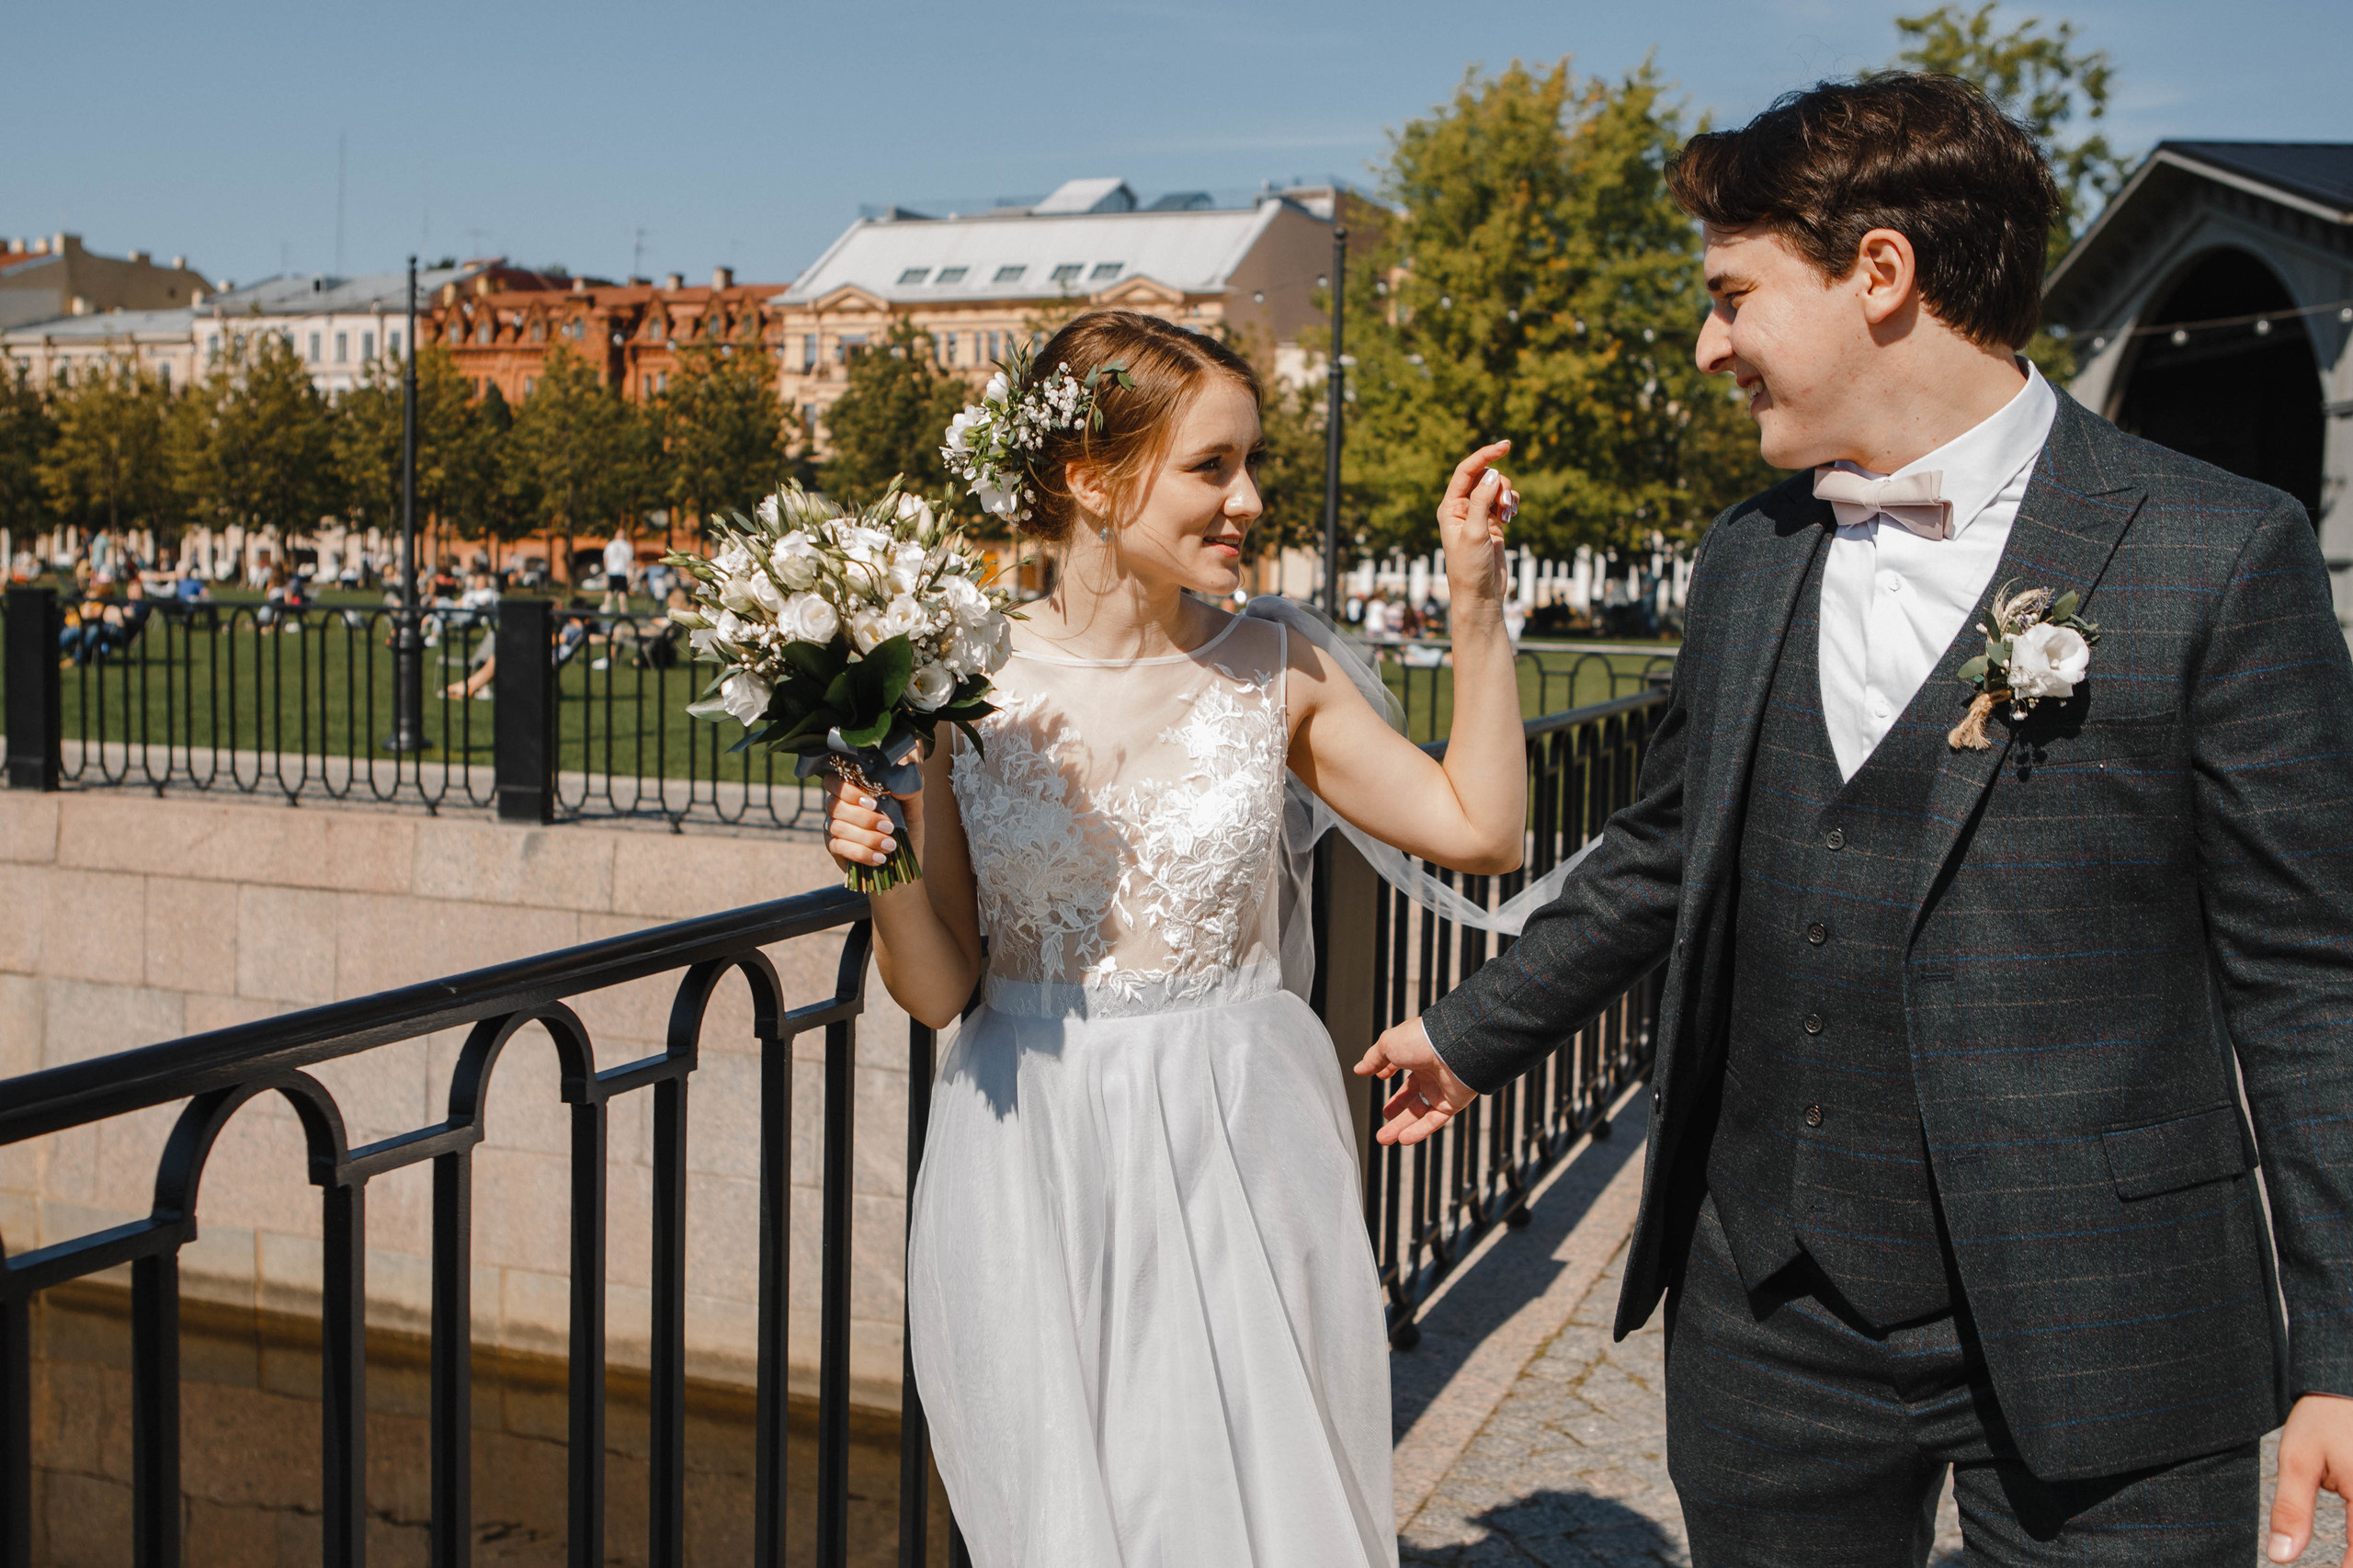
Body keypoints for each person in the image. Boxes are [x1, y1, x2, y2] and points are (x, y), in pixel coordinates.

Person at [1357, 74, 2353, 1567]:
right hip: (1772, 1306)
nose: (1709, 347)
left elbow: (2310, 980)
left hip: (2110, 1319)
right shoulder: (1750, 558)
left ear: (1878, 274)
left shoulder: (2222, 552)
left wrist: (2342, 1340)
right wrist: (1477, 1028)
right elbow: (1666, 855)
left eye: (1734, 297)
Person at [823, 309, 1528, 1566]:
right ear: (1092, 478)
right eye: (1213, 466)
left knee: (1263, 1506)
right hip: (1032, 1143)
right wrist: (876, 862)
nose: (1248, 498)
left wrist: (1477, 604)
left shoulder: (1280, 667)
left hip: (1241, 1134)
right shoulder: (955, 686)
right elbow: (940, 990)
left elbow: (1480, 830)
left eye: (1249, 462)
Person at [600, 527, 634, 614]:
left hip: (612, 571)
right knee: (622, 591)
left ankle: (607, 607)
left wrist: (607, 570)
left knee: (610, 590)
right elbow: (629, 560)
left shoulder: (610, 544)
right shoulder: (627, 546)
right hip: (622, 571)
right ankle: (623, 610)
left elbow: (605, 559)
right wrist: (631, 572)